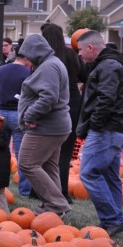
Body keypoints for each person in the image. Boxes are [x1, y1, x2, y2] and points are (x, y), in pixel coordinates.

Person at [76, 30, 123, 236]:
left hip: (106, 129)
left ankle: (113, 219)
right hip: (114, 129)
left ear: (91, 48)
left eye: (81, 50)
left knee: (88, 173)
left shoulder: (107, 66)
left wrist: (95, 126)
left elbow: (105, 99)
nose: (80, 55)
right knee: (109, 176)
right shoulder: (111, 64)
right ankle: (113, 220)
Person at [17, 34, 72, 216]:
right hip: (56, 125)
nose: (26, 60)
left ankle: (56, 204)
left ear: (34, 52)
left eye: (26, 56)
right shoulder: (53, 63)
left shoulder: (49, 67)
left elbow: (48, 97)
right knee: (49, 166)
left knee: (27, 164)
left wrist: (29, 116)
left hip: (45, 127)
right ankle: (54, 209)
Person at [41, 23, 88, 203]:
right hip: (72, 104)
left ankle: (39, 189)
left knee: (43, 150)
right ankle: (62, 191)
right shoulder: (71, 55)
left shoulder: (43, 58)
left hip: (49, 105)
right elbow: (86, 77)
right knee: (66, 151)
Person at [0, 55, 32, 196]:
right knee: (23, 155)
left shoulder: (1, 69)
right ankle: (25, 190)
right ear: (26, 58)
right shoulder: (27, 73)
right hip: (17, 113)